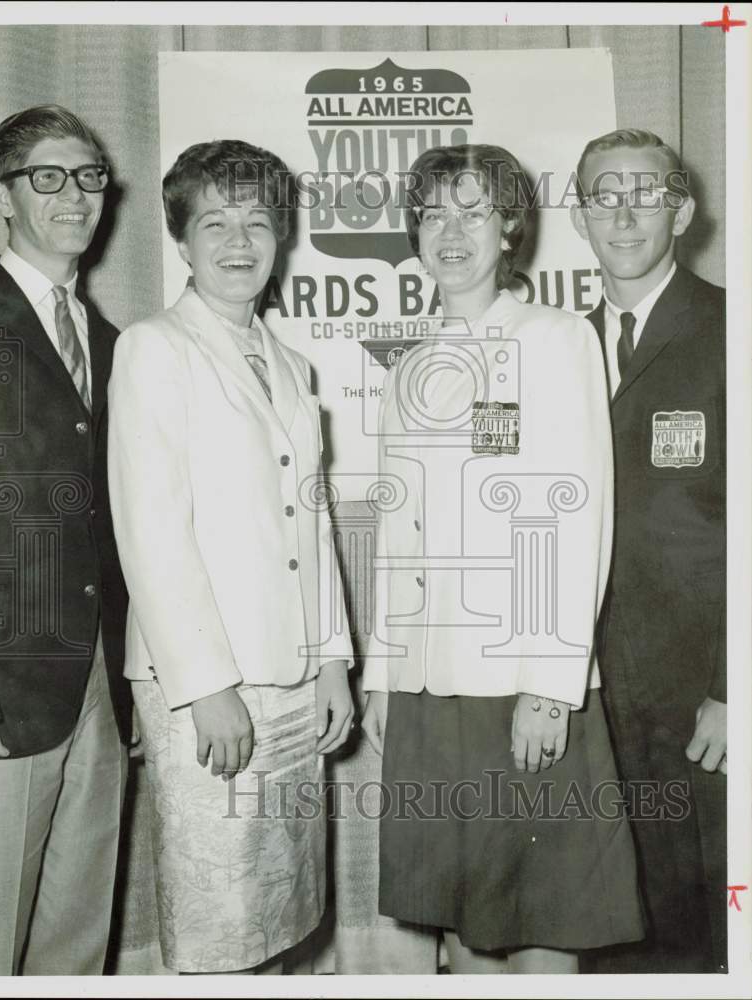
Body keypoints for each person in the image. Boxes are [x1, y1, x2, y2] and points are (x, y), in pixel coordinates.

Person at [361, 143, 645, 974]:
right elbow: (397, 531)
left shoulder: (554, 339)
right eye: (433, 214)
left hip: (519, 687)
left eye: (473, 211)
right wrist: (383, 672)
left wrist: (550, 688)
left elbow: (572, 512)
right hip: (425, 688)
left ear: (510, 226)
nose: (451, 232)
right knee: (457, 925)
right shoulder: (408, 361)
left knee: (544, 925)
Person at [107, 139, 354, 974]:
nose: (239, 241)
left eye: (257, 221)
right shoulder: (154, 348)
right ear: (181, 240)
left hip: (291, 679)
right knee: (221, 924)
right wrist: (206, 686)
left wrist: (331, 663)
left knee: (281, 912)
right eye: (215, 222)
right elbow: (150, 529)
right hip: (206, 687)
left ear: (280, 237)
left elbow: (310, 526)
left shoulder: (289, 363)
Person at [0, 105, 132, 975]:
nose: (77, 196)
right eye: (49, 177)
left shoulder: (108, 341)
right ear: (1, 194)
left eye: (91, 175)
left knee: (75, 940)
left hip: (98, 685)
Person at [570, 128, 727, 974]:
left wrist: (731, 690)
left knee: (714, 919)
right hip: (590, 689)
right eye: (603, 193)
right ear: (578, 216)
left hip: (701, 692)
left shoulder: (728, 330)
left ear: (682, 209)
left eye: (643, 191)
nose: (623, 212)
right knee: (612, 915)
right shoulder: (554, 344)